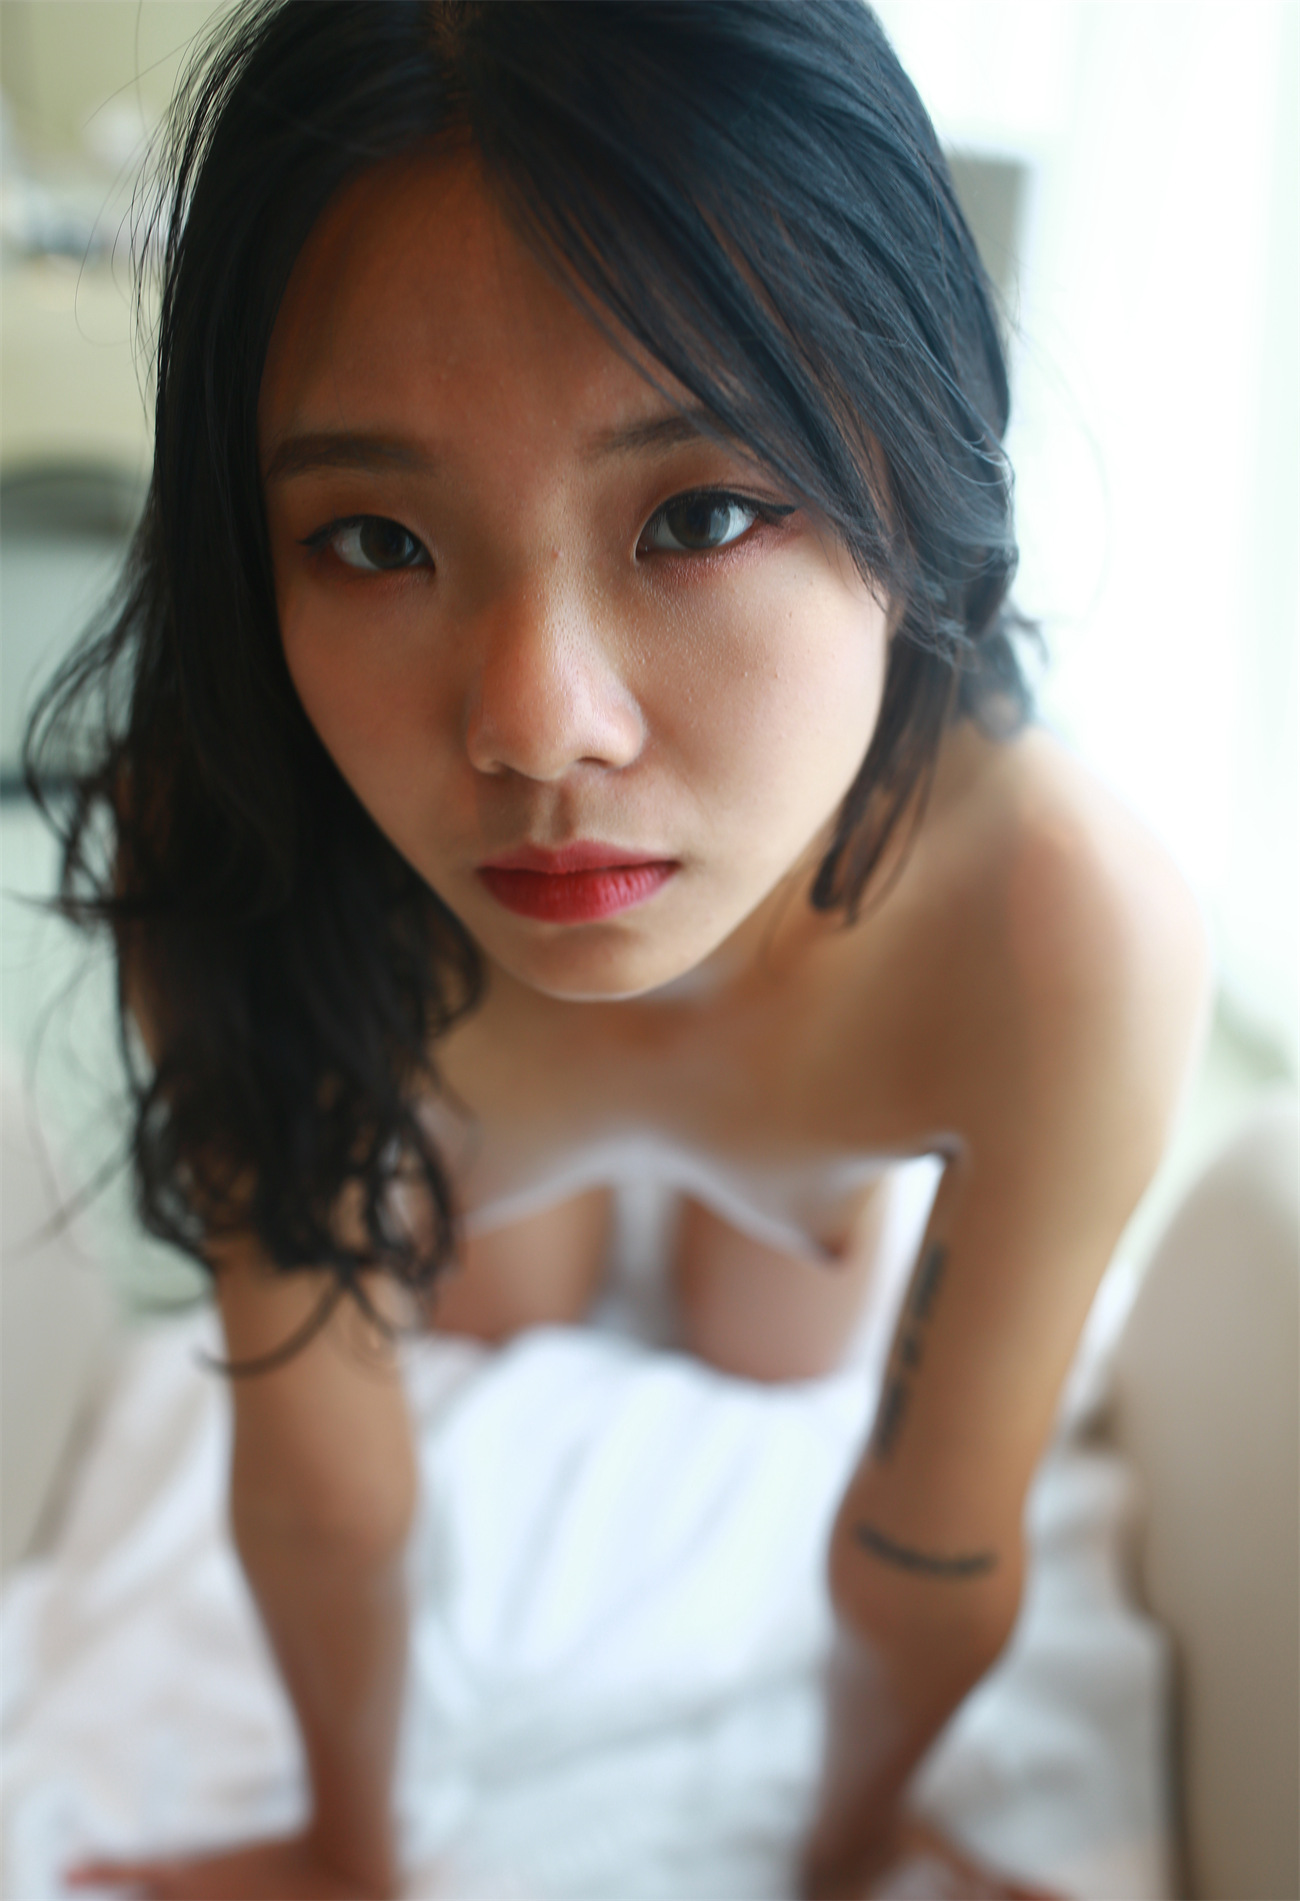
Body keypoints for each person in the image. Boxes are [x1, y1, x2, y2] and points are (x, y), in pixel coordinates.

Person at [37, 3, 1206, 1895]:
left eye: (701, 513)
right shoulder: (234, 841)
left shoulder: (1060, 929)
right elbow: (327, 1483)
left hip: (805, 1089)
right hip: (445, 1031)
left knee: (772, 1338)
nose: (536, 727)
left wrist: (845, 1863)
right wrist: (349, 1860)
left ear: (914, 469)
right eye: (375, 541)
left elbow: (936, 1538)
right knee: (489, 1305)